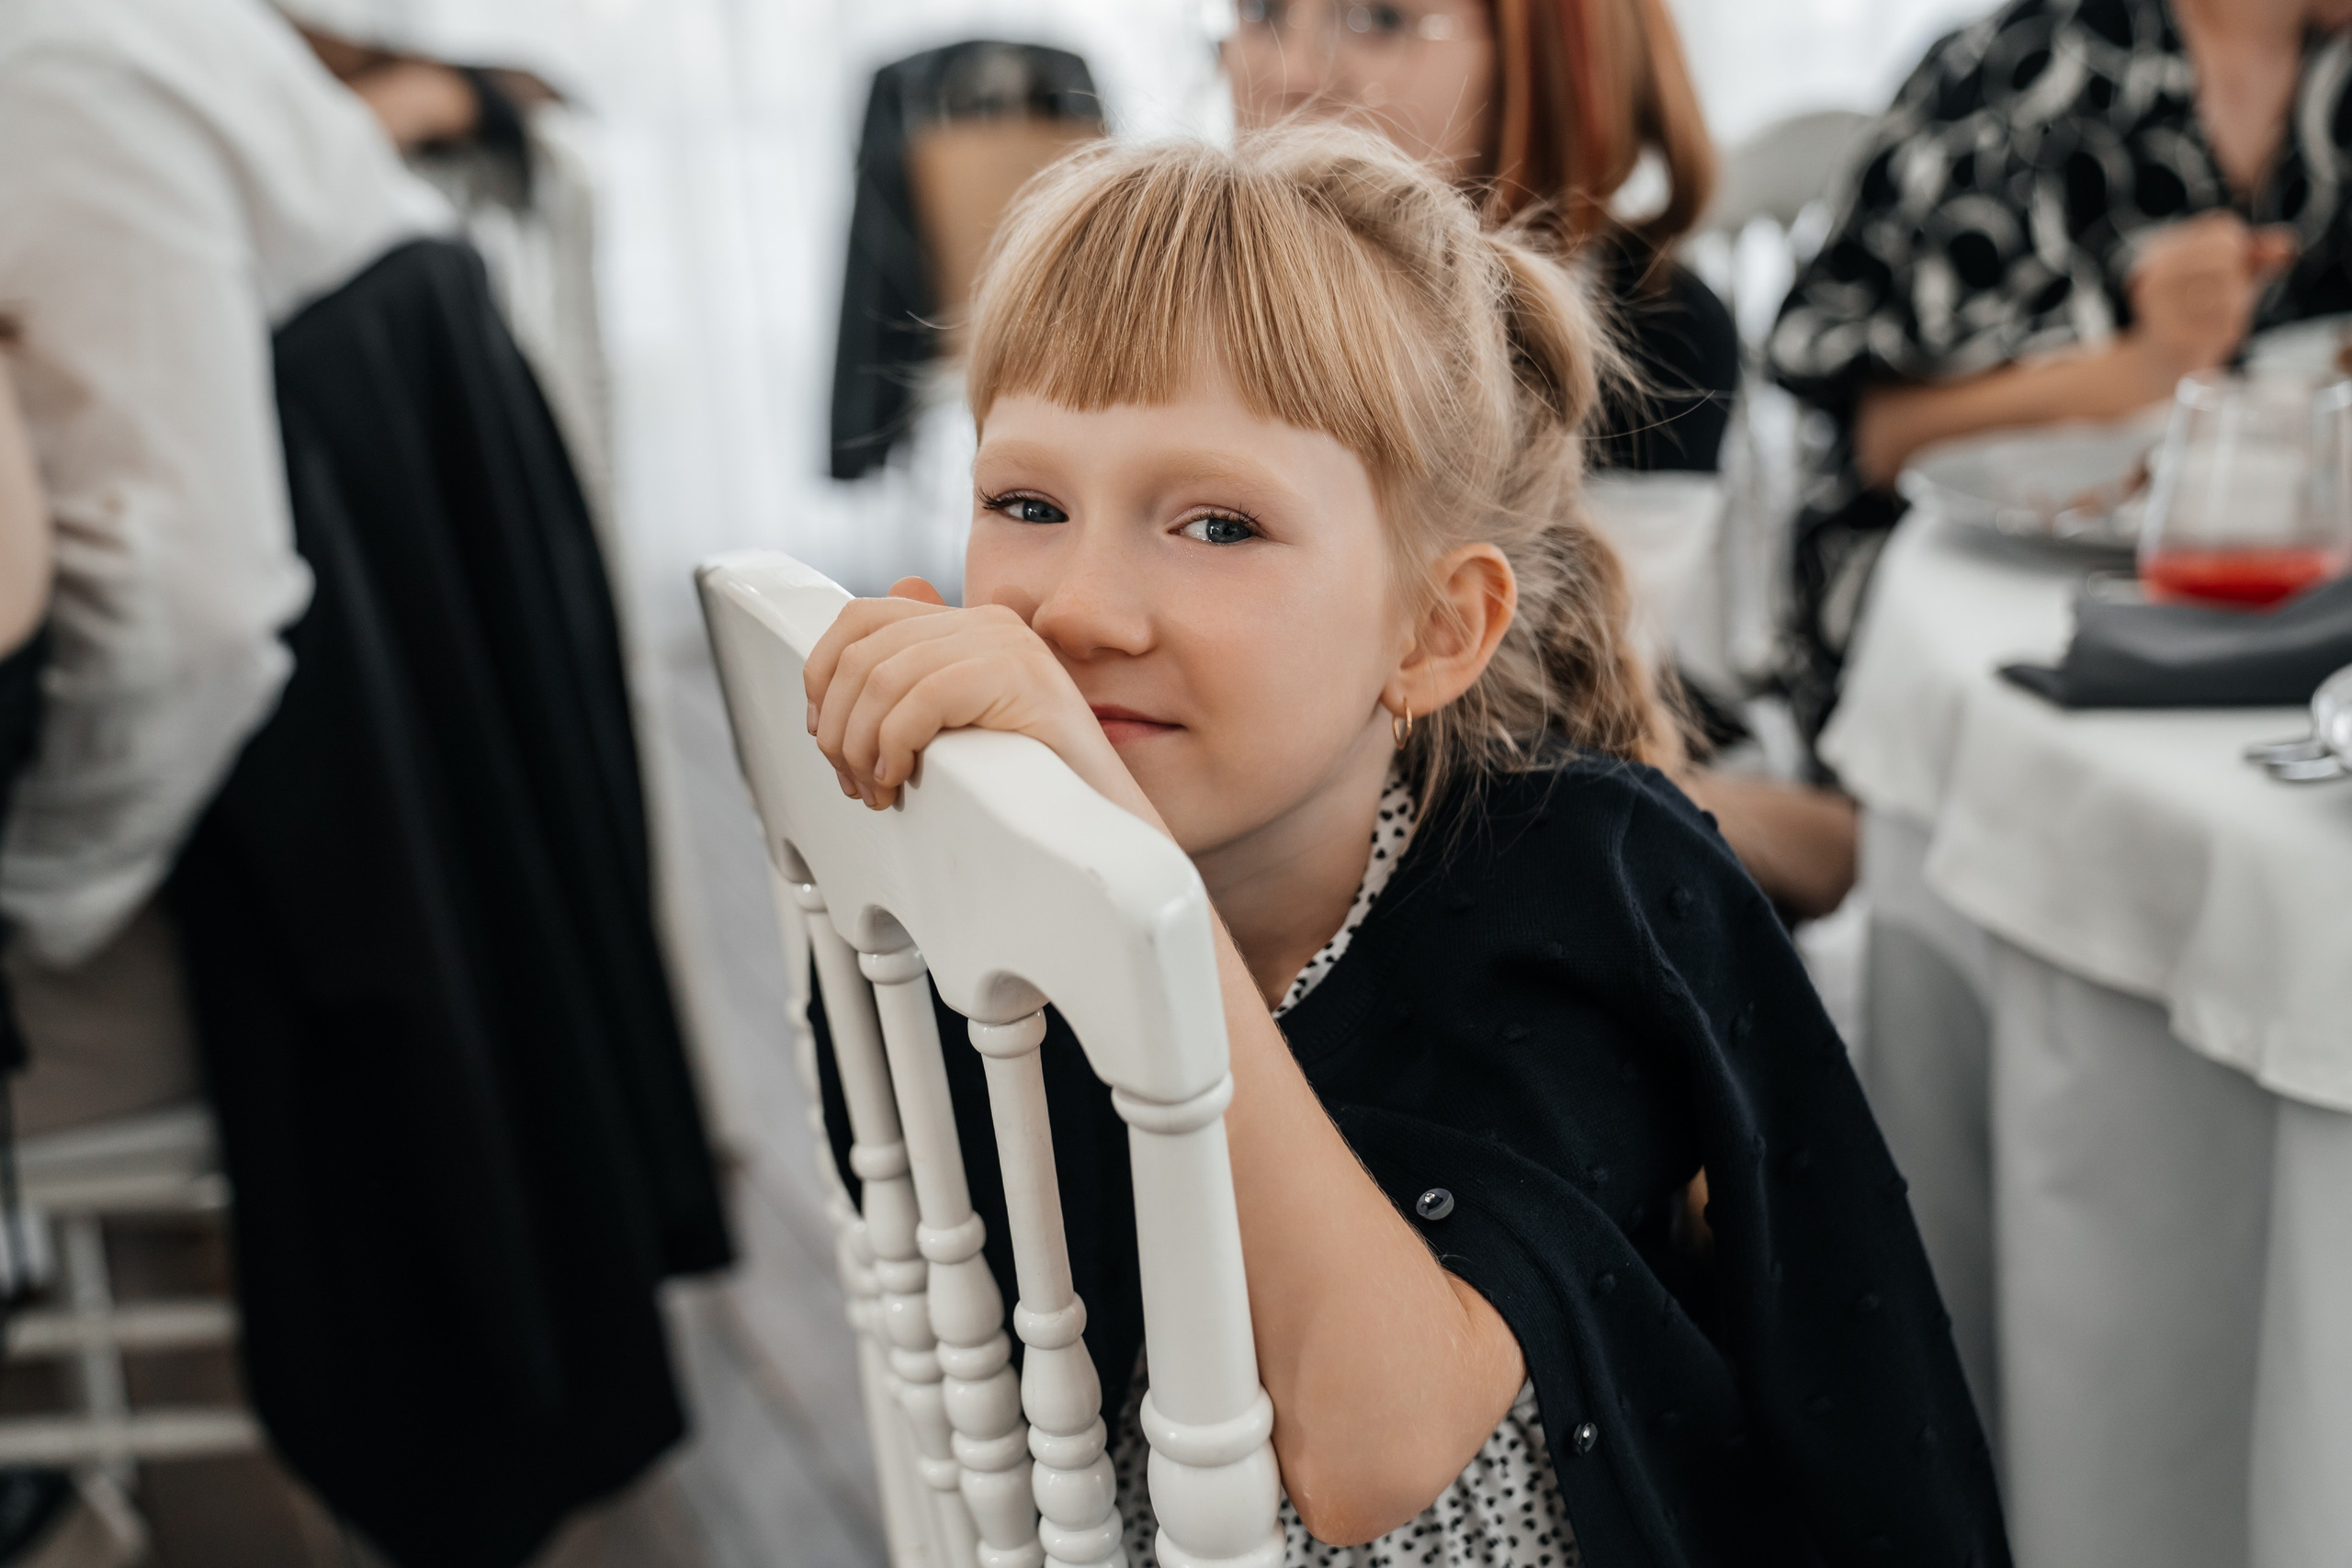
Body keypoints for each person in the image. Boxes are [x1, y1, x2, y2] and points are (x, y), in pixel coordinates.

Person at [804, 126, 2007, 1565]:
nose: (1078, 606)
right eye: (1027, 504)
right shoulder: (979, 860)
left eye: (1216, 522)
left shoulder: (1579, 893)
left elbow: (1373, 1451)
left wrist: (1132, 879)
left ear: (1435, 630)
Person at [1222, 0, 1860, 919]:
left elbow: (1535, 714)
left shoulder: (1650, 324)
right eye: (1258, 11)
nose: (1287, 70)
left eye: (1379, 19)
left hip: (1597, 763)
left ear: (1548, 59)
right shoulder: (1207, 298)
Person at [1770, 0, 2352, 737]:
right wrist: (2147, 364)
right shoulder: (2026, 74)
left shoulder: (2332, 80)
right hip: (1969, 612)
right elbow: (1885, 439)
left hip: (2268, 604)